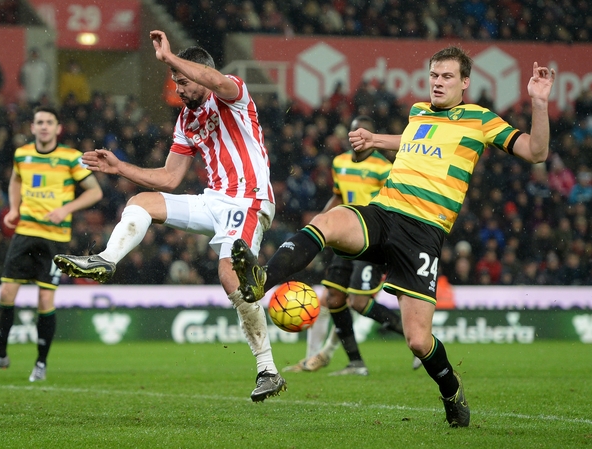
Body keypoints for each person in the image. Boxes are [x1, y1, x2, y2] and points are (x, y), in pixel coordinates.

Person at [232, 48, 555, 427]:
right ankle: (262, 280)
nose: (438, 82)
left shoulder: (480, 121)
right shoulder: (418, 112)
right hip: (385, 212)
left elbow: (536, 152)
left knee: (418, 340)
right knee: (330, 220)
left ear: (465, 82)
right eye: (434, 75)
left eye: (447, 76)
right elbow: (412, 141)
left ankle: (452, 390)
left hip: (423, 233)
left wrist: (538, 103)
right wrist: (374, 139)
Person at [53, 30, 284, 402]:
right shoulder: (186, 121)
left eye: (182, 81)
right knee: (143, 201)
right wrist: (119, 168)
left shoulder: (235, 94)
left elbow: (213, 79)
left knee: (228, 276)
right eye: (175, 82)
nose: (178, 88)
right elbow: (170, 177)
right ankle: (106, 260)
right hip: (215, 200)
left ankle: (268, 370)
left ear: (198, 72)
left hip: (249, 199)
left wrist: (170, 58)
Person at [283, 116, 420, 375]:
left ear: (370, 134)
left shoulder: (384, 167)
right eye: (352, 132)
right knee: (333, 298)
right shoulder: (340, 162)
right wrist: (319, 226)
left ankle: (416, 335)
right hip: (344, 239)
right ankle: (355, 362)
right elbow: (338, 196)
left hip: (373, 241)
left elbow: (395, 205)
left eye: (361, 132)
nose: (356, 137)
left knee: (359, 302)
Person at [0, 106, 102, 382]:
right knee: (6, 294)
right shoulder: (23, 154)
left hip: (55, 239)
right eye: (39, 122)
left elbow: (95, 192)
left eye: (49, 122)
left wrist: (67, 209)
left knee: (45, 299)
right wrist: (12, 208)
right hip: (25, 233)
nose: (44, 126)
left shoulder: (70, 157)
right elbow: (14, 181)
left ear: (58, 129)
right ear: (32, 128)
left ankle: (41, 363)